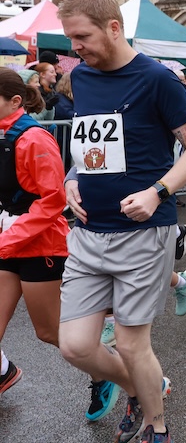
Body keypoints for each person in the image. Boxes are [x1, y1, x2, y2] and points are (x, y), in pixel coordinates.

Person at [57, 0, 186, 443]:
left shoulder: (157, 79)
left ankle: (155, 425)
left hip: (143, 232)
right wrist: (71, 176)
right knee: (76, 345)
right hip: (87, 232)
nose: (75, 48)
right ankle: (145, 388)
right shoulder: (81, 77)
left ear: (114, 28)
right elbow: (87, 142)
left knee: (128, 342)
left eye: (81, 36)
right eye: (70, 38)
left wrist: (157, 191)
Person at [0, 69, 69, 398]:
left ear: (15, 101)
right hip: (9, 244)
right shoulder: (3, 135)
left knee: (50, 332)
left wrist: (8, 239)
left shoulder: (35, 138)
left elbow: (53, 200)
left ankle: (119, 371)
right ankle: (4, 373)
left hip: (42, 245)